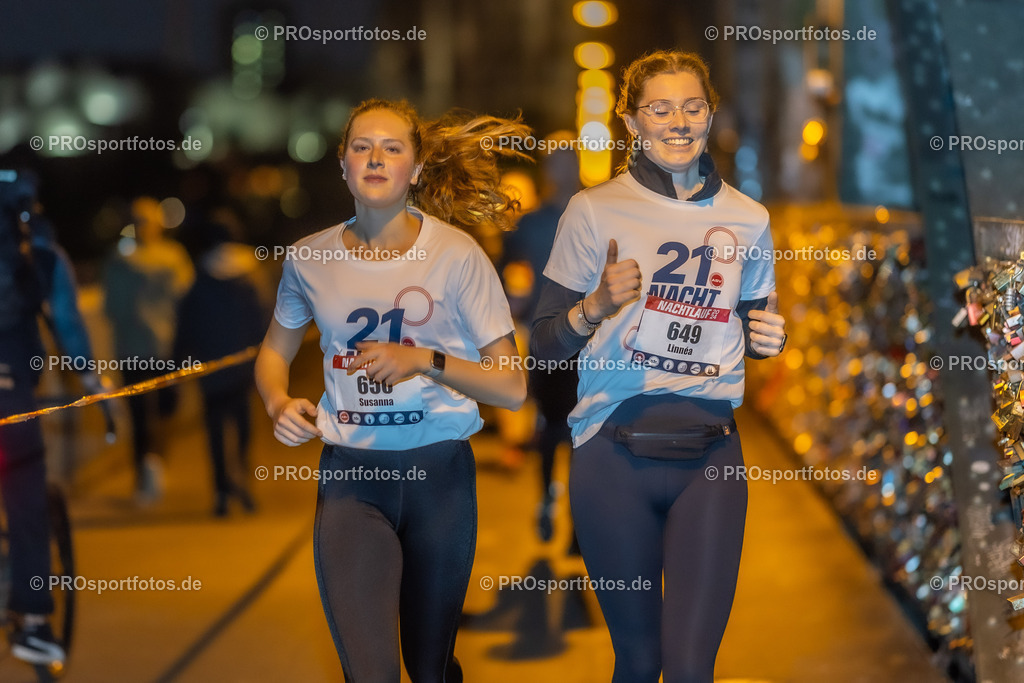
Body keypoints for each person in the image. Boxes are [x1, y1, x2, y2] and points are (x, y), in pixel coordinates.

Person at [531, 51, 787, 682]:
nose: (679, 121)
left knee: (694, 668)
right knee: (640, 662)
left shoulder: (750, 219)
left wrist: (768, 339)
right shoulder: (593, 210)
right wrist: (594, 307)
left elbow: (755, 325)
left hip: (712, 459)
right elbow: (543, 346)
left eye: (692, 106)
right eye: (661, 108)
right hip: (611, 457)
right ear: (631, 122)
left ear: (710, 114)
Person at [255, 99, 528, 682]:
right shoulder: (308, 259)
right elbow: (273, 353)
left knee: (430, 669)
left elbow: (510, 387)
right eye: (362, 147)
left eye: (392, 147)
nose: (375, 158)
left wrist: (424, 360)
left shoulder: (458, 256)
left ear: (417, 167)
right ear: (343, 165)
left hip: (439, 480)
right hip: (352, 480)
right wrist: (279, 402)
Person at [0, 168, 106, 666]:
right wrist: (91, 381)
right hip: (10, 391)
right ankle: (34, 622)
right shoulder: (39, 251)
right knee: (26, 497)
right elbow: (66, 320)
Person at [502, 133, 581, 542]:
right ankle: (549, 499)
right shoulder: (531, 224)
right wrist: (511, 305)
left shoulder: (598, 217)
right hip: (547, 338)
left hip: (592, 340)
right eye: (555, 161)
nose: (562, 168)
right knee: (553, 426)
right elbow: (502, 267)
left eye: (568, 160)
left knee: (586, 430)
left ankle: (578, 520)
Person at [175, 208, 270, 516]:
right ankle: (244, 481)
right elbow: (266, 317)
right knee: (244, 426)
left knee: (215, 430)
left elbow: (187, 322)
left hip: (211, 368)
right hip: (243, 365)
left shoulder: (200, 275)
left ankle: (221, 492)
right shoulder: (251, 273)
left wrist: (181, 358)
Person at [103, 196, 194, 503]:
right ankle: (152, 466)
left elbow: (110, 307)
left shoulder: (119, 260)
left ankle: (147, 471)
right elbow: (186, 299)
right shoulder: (174, 257)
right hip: (165, 347)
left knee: (142, 412)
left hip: (134, 347)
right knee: (160, 410)